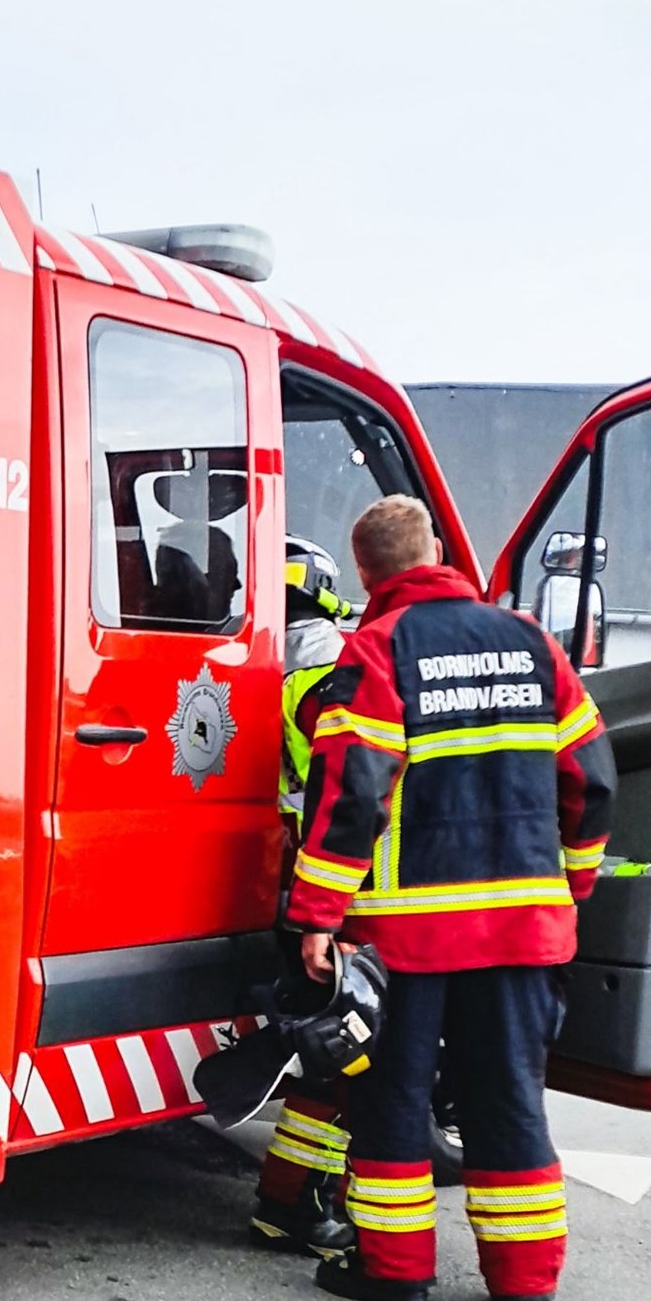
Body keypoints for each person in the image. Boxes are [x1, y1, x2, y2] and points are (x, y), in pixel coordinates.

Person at [286, 494, 616, 1301]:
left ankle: (396, 1273)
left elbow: (352, 789)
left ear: (365, 572)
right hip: (521, 928)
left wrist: (318, 916)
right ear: (436, 549)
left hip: (408, 935)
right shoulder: (533, 641)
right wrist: (568, 889)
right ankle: (524, 1287)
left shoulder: (380, 647)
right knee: (507, 1097)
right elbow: (594, 778)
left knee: (393, 1097)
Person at [251, 537, 356, 1258]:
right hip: (335, 885)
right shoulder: (331, 665)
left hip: (291, 873)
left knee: (326, 1051)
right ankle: (294, 1201)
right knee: (346, 1056)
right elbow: (353, 787)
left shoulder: (264, 659)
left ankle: (290, 1198)